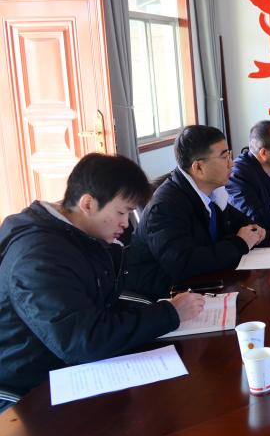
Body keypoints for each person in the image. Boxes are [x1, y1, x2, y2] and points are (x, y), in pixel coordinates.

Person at [0, 154, 205, 409]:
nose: (126, 223)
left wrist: (165, 311)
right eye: (121, 212)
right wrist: (169, 313)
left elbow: (101, 307)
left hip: (73, 367)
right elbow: (83, 341)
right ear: (88, 203)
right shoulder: (37, 257)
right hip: (30, 388)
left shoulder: (80, 236)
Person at [127, 125, 266, 299]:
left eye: (229, 155)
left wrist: (254, 231)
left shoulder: (212, 191)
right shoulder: (165, 207)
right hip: (165, 297)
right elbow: (183, 264)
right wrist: (239, 243)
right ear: (198, 167)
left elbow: (244, 224)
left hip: (206, 283)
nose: (231, 164)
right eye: (224, 157)